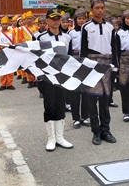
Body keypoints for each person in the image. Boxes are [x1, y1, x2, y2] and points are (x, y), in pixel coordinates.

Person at [81, 0, 117, 145]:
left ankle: (105, 130)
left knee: (104, 100)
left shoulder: (110, 27)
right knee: (91, 100)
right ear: (91, 10)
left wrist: (115, 67)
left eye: (102, 8)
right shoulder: (86, 27)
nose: (100, 11)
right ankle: (95, 132)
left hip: (107, 66)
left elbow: (114, 48)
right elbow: (83, 51)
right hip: (91, 65)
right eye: (97, 8)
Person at [37, 9, 74, 151]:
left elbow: (70, 58)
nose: (56, 21)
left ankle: (60, 137)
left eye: (58, 18)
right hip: (47, 77)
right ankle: (51, 138)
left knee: (60, 105)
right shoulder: (41, 38)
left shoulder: (67, 37)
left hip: (62, 77)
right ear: (47, 21)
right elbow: (37, 59)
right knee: (49, 105)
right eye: (52, 19)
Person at [68, 8, 90, 129]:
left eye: (83, 19)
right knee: (75, 91)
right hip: (74, 62)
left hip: (86, 61)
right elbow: (69, 50)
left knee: (85, 91)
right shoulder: (70, 33)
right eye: (79, 19)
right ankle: (76, 118)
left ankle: (85, 116)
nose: (82, 21)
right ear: (75, 20)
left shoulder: (88, 31)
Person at [0, 16, 15, 91]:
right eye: (3, 24)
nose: (5, 25)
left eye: (6, 24)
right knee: (2, 68)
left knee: (10, 68)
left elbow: (14, 42)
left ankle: (9, 84)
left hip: (10, 52)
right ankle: (3, 84)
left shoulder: (12, 32)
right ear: (1, 25)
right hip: (1, 52)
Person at [21, 11, 38, 88]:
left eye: (30, 18)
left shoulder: (36, 28)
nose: (29, 20)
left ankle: (35, 80)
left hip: (35, 49)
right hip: (26, 49)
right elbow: (20, 39)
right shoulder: (22, 29)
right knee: (28, 65)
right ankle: (30, 80)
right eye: (27, 19)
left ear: (33, 19)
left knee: (35, 65)